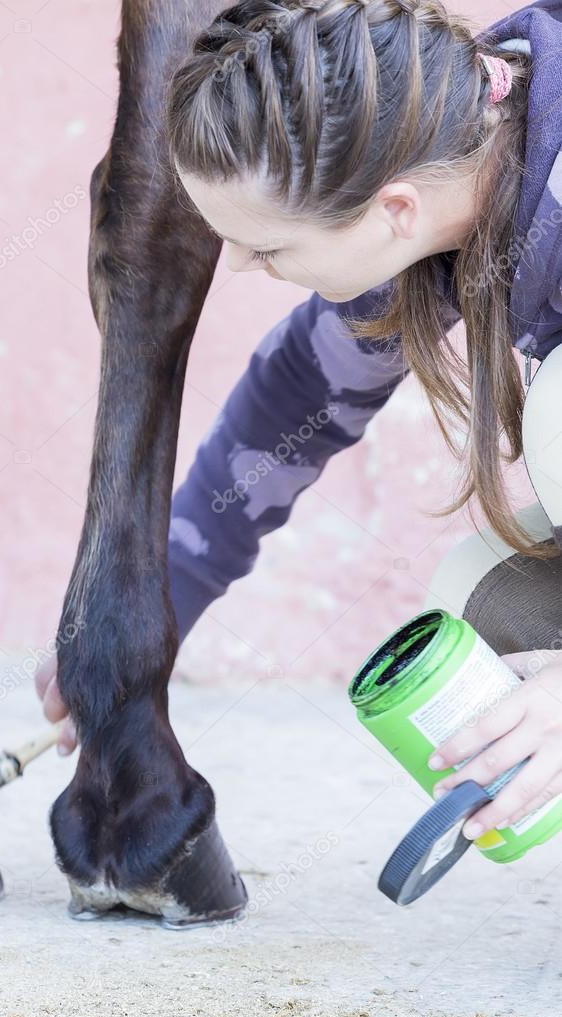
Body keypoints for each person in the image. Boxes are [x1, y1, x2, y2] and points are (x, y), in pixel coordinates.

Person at [36, 0, 562, 842]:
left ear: (394, 210)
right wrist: (148, 596)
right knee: (497, 618)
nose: (238, 266)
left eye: (267, 247)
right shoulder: (445, 169)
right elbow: (302, 400)